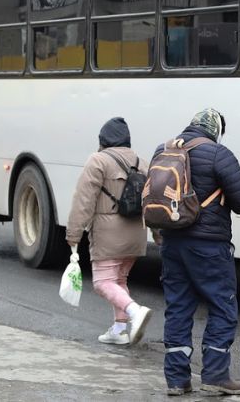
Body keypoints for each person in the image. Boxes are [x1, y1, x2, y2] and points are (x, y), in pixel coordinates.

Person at [155, 109, 240, 397]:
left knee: (178, 308)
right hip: (209, 245)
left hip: (172, 243)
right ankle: (215, 375)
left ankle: (176, 379)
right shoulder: (218, 154)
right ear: (216, 130)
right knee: (223, 306)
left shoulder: (164, 149)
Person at [66, 117, 152, 346]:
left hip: (109, 235)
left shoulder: (98, 161)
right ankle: (119, 328)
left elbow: (83, 201)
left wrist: (73, 235)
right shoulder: (141, 162)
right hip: (136, 235)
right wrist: (159, 234)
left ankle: (135, 311)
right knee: (119, 279)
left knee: (102, 282)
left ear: (103, 139)